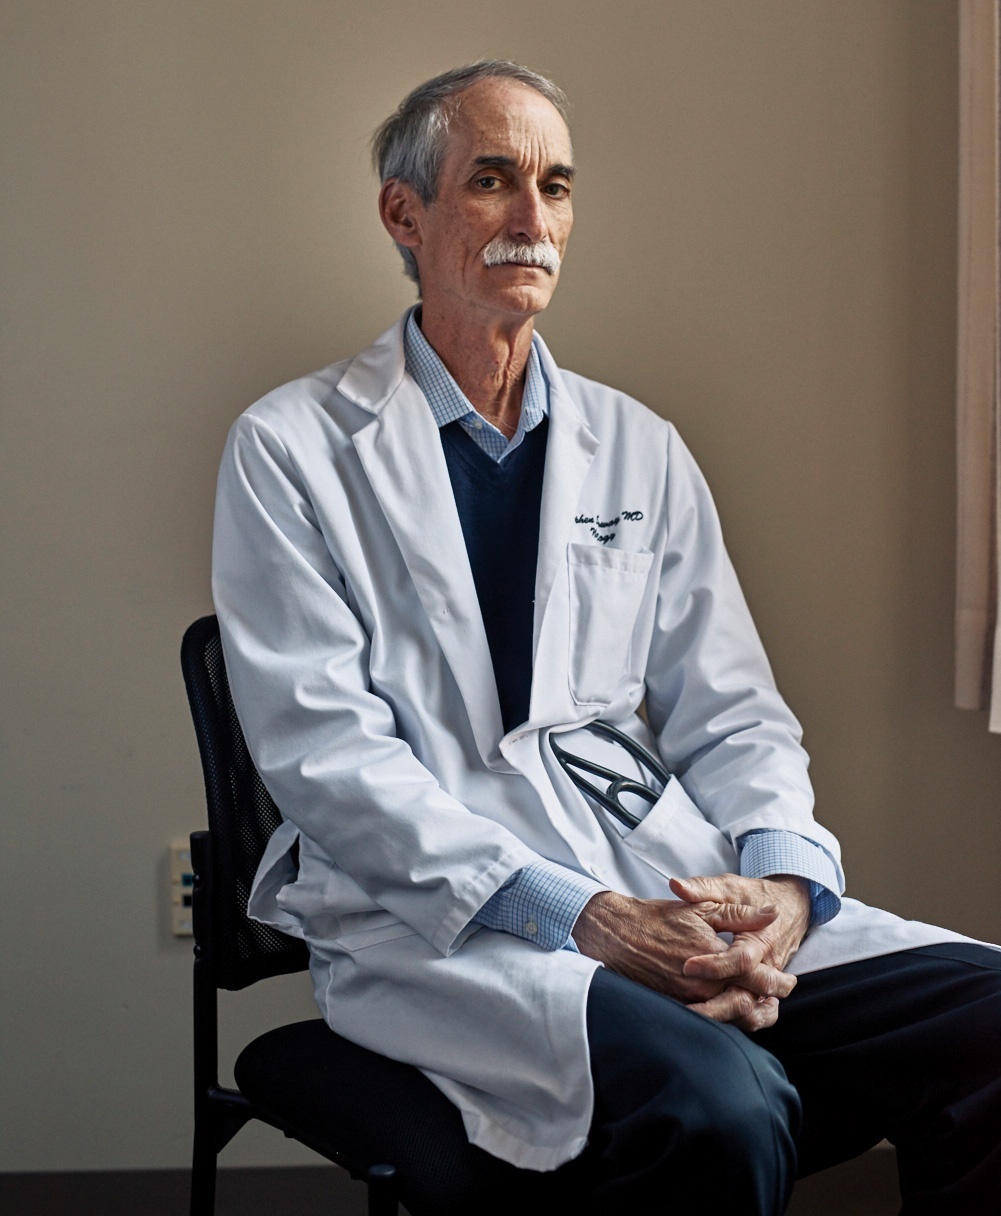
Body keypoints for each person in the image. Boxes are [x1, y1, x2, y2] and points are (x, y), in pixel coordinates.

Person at [212, 61, 1001, 1215]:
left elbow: (730, 710)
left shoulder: (638, 447)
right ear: (404, 213)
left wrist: (780, 887)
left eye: (556, 185)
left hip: (661, 882)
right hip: (444, 924)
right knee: (722, 1103)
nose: (532, 220)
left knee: (986, 1018)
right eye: (491, 180)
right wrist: (581, 917)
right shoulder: (289, 448)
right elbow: (328, 760)